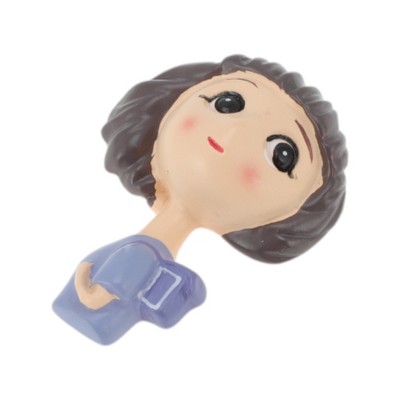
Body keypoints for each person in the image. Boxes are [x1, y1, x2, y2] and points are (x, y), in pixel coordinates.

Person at [53, 55, 347, 344]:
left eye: (283, 155)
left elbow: (116, 282)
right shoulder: (143, 251)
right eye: (227, 103)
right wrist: (104, 291)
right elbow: (106, 286)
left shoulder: (144, 252)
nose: (235, 132)